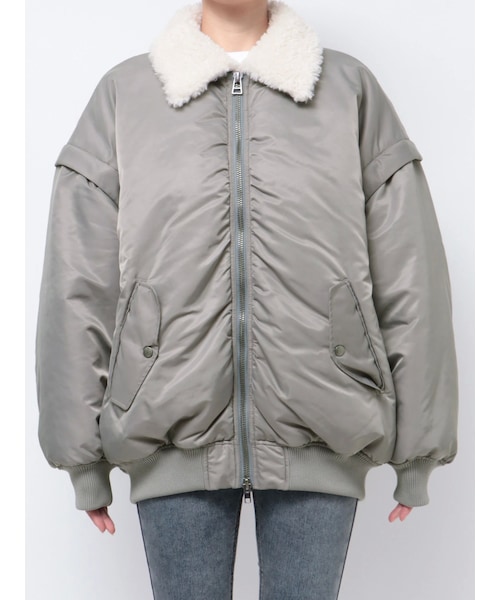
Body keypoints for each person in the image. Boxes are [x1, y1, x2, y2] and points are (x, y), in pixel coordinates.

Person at [34, 0, 459, 598]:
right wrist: (81, 457)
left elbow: (410, 271)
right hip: (167, 422)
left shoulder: (348, 90)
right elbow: (78, 282)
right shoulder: (125, 95)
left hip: (325, 421)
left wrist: (419, 452)